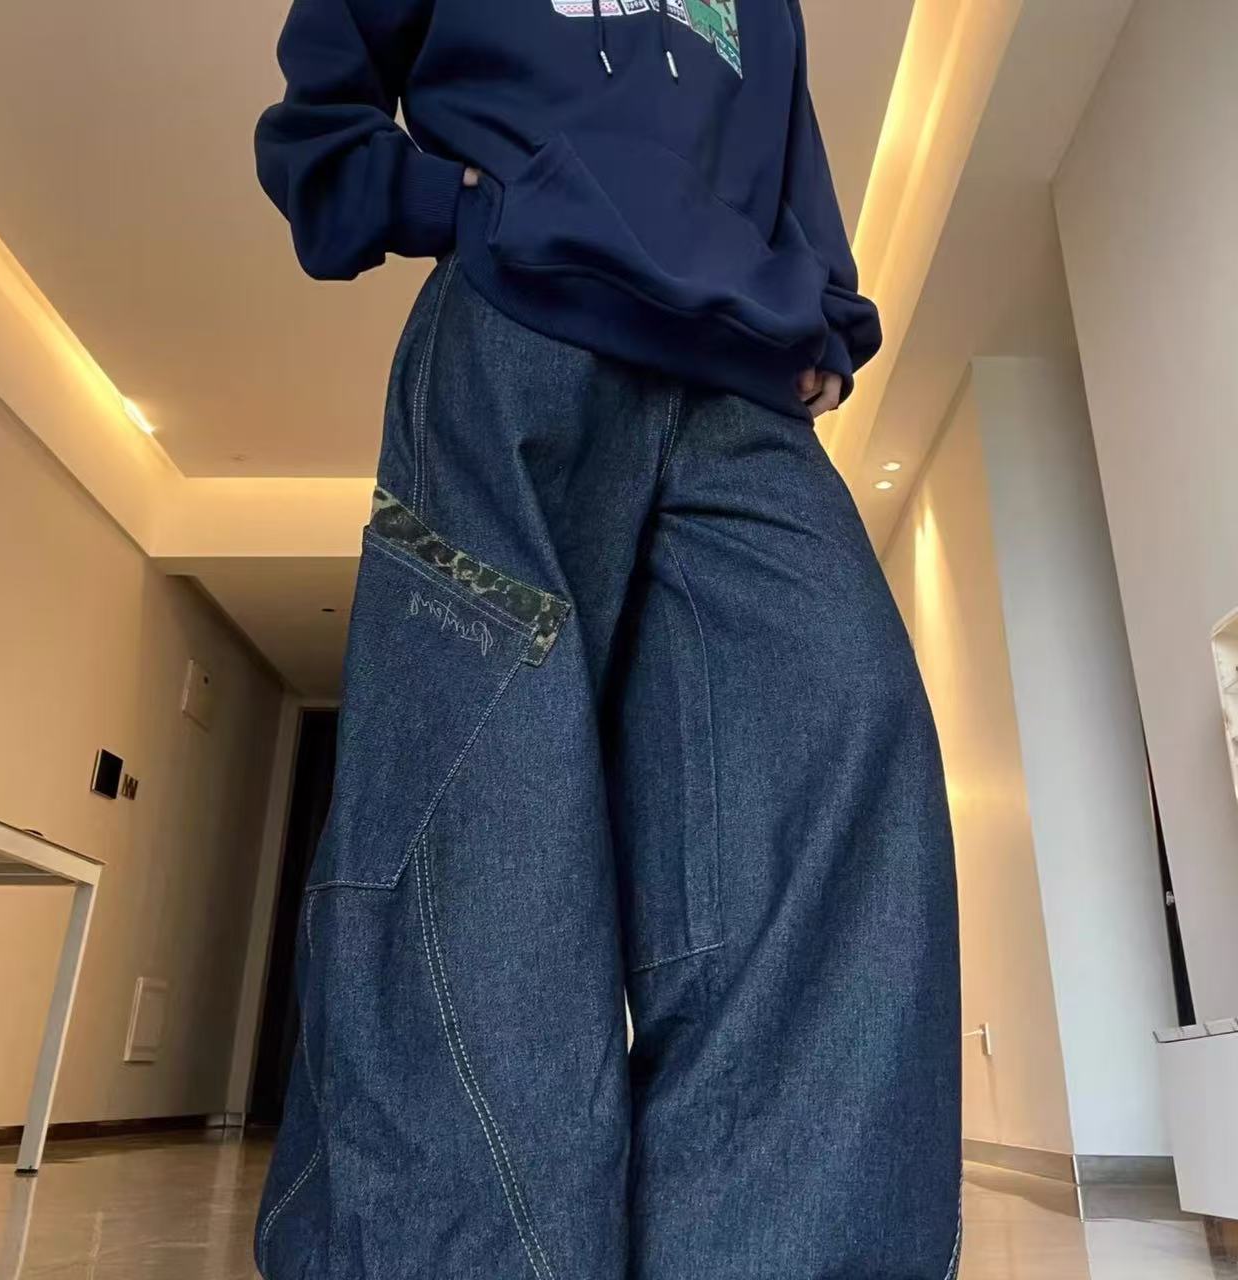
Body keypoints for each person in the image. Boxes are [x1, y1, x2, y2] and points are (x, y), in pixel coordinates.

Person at [252, 2, 961, 1277]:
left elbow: (789, 157)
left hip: (741, 389)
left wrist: (824, 317)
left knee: (844, 746)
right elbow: (320, 118)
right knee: (486, 811)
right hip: (520, 327)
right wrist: (460, 204)